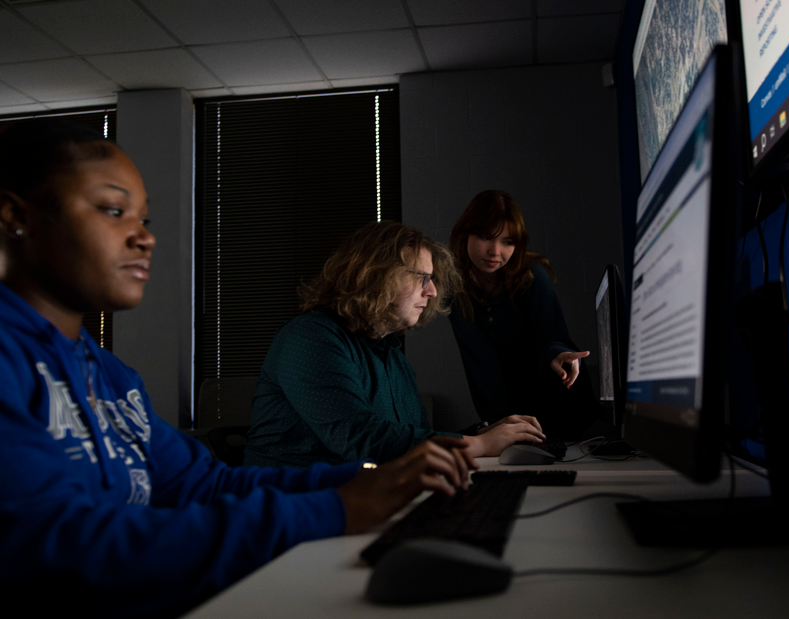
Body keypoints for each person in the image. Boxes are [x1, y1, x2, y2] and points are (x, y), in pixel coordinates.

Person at [0, 119, 475, 618]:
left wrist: (371, 482)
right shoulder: (11, 359)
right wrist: (335, 509)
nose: (144, 238)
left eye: (146, 220)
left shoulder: (112, 378)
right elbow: (61, 550)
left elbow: (202, 487)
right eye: (114, 211)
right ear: (16, 217)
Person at [244, 221, 546, 469]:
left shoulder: (390, 353)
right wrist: (478, 445)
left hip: (356, 498)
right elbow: (360, 439)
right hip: (292, 508)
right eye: (422, 277)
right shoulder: (310, 338)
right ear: (375, 275)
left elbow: (412, 437)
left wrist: (482, 433)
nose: (432, 291)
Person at [448, 190, 598, 439]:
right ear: (465, 235)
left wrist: (558, 353)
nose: (495, 251)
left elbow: (552, 337)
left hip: (564, 410)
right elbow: (478, 362)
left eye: (507, 241)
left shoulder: (532, 277)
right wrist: (498, 424)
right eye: (486, 237)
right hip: (512, 422)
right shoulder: (455, 290)